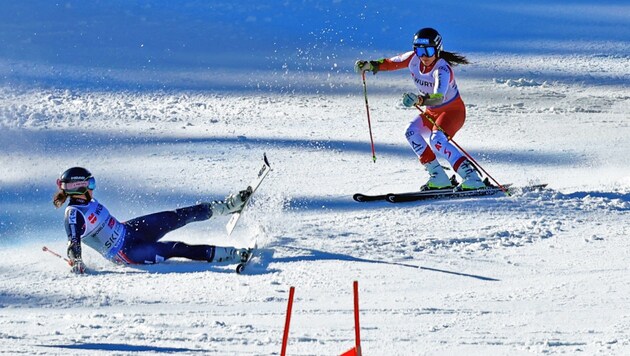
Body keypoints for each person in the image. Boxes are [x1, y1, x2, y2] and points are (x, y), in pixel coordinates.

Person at [53, 166, 252, 274]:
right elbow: (73, 242)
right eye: (90, 183)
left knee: (175, 217)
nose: (93, 187)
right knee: (176, 247)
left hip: (129, 230)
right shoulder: (73, 214)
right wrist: (77, 261)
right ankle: (233, 255)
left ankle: (228, 206)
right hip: (126, 252)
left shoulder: (88, 201)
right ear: (79, 187)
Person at [354, 27, 485, 191]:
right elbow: (390, 63)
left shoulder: (442, 70)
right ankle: (438, 177)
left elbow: (439, 98)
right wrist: (370, 65)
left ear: (437, 50)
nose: (423, 56)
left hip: (452, 111)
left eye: (429, 51)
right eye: (419, 50)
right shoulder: (413, 59)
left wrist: (420, 99)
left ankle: (472, 177)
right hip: (431, 112)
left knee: (437, 141)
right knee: (411, 132)